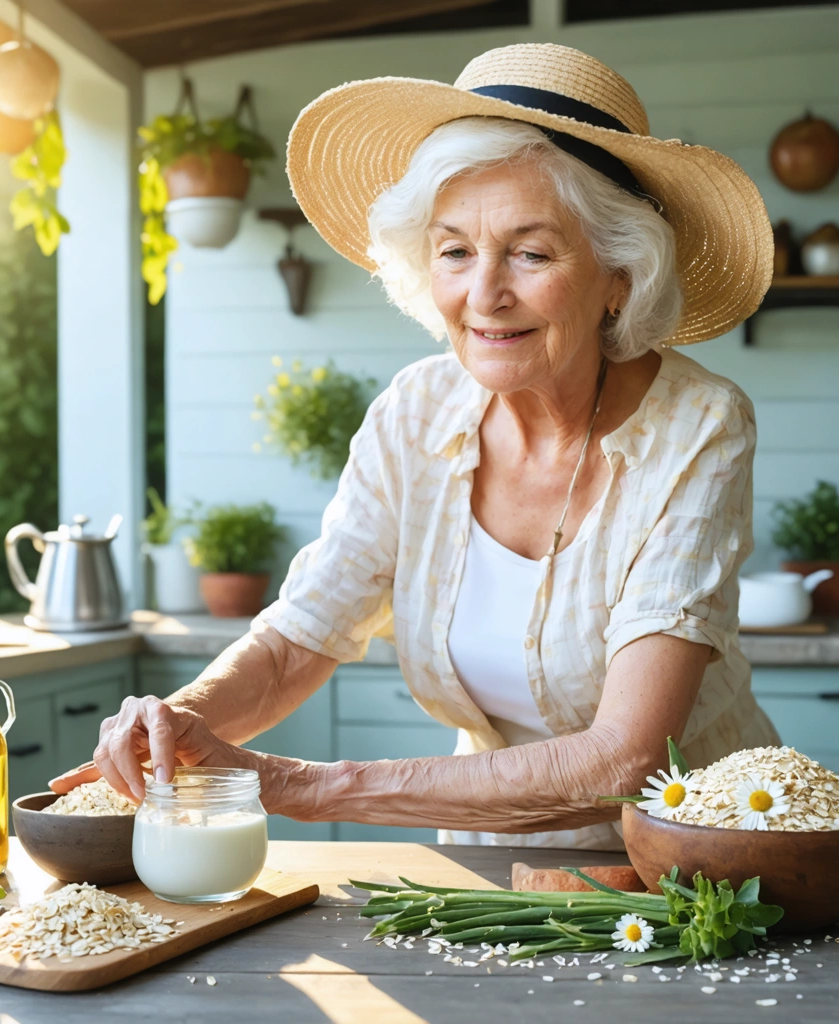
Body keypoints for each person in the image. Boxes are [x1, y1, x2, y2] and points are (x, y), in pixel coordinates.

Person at [52, 43, 779, 850]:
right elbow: (298, 641)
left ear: (620, 275)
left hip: (699, 862)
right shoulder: (416, 413)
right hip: (491, 862)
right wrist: (173, 721)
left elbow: (624, 758)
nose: (485, 294)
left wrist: (301, 785)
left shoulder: (699, 425)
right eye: (455, 250)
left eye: (532, 253)